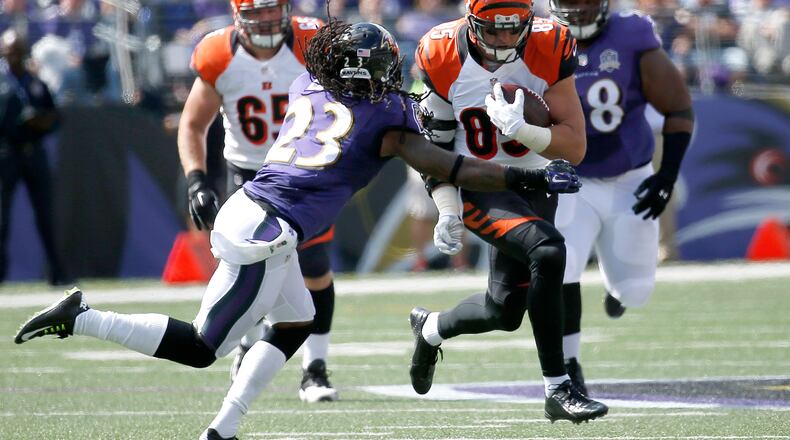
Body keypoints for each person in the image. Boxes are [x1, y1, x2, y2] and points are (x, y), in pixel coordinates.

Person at [14, 21, 583, 440]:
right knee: (202, 348)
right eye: (384, 66)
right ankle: (81, 316)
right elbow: (448, 166)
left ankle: (224, 430)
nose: (392, 74)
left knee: (295, 321)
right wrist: (521, 172)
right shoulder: (385, 119)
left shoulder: (308, 89)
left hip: (256, 211)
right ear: (370, 74)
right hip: (266, 230)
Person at [407, 0, 609, 424]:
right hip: (480, 183)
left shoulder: (549, 43)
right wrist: (447, 209)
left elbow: (574, 146)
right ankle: (559, 386)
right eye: (492, 29)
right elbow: (435, 152)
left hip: (536, 183)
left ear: (527, 20)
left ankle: (430, 329)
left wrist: (523, 131)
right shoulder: (440, 52)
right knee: (550, 251)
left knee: (503, 311)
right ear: (471, 20)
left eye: (511, 28)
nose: (502, 39)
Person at [176, 0, 337, 403]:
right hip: (247, 174)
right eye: (257, 12)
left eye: (273, 9)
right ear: (237, 17)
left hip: (303, 171)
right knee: (248, 268)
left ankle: (314, 367)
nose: (266, 19)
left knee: (315, 266)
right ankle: (247, 345)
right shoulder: (219, 52)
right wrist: (196, 179)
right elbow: (194, 124)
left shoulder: (311, 41)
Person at [548, 0, 695, 395]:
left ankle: (617, 294)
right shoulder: (539, 39)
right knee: (561, 266)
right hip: (569, 178)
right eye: (567, 4)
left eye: (585, 4)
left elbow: (679, 108)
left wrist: (666, 175)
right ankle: (567, 366)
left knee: (636, 290)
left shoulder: (631, 35)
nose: (576, 13)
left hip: (629, 177)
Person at [0, 29, 71, 286]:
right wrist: (14, 123)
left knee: (46, 215)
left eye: (17, 52)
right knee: (1, 218)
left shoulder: (35, 83)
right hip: (7, 154)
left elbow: (55, 116)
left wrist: (42, 122)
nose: (14, 57)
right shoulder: (3, 84)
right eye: (9, 53)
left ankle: (57, 272)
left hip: (33, 153)